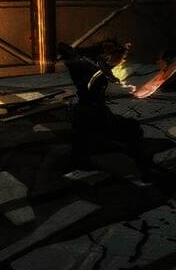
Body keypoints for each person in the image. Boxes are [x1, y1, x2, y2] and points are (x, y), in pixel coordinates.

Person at [58, 40, 155, 181]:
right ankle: (145, 173)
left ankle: (76, 164)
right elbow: (64, 48)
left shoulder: (87, 63)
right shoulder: (91, 69)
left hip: (85, 111)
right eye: (119, 55)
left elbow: (66, 49)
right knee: (132, 130)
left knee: (82, 139)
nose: (122, 59)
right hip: (94, 112)